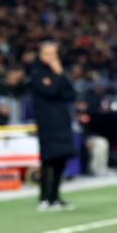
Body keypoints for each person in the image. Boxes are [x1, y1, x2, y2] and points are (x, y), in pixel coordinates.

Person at [30, 41, 77, 210]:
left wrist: (59, 74)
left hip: (62, 121)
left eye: (54, 54)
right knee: (48, 160)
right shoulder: (36, 73)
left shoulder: (58, 73)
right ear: (41, 55)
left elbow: (70, 94)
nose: (52, 57)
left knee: (60, 159)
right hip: (47, 122)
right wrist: (58, 75)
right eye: (48, 54)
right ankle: (44, 197)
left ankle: (55, 197)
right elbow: (51, 91)